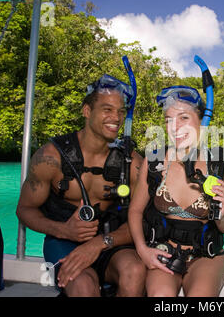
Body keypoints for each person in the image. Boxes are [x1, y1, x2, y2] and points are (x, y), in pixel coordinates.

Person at [16, 74, 146, 297]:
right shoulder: (51, 157)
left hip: (110, 242)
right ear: (87, 111)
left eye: (120, 111)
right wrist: (63, 230)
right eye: (107, 109)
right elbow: (24, 209)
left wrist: (98, 244)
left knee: (135, 272)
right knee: (83, 286)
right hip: (63, 241)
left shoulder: (132, 163)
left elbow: (143, 220)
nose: (116, 117)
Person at [128, 85, 224, 297]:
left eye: (183, 118)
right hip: (164, 252)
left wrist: (222, 215)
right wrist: (142, 250)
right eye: (169, 120)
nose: (174, 127)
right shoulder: (154, 161)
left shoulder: (220, 163)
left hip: (206, 257)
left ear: (202, 122)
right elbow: (134, 211)